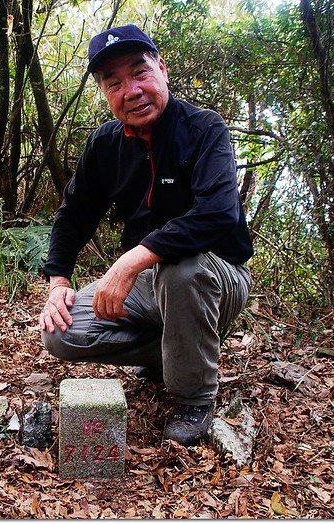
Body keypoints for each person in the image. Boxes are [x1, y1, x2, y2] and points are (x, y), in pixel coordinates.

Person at [38, 24, 253, 446]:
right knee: (59, 332)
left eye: (139, 73)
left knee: (181, 268)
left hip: (215, 276)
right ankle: (176, 352)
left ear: (162, 70)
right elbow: (74, 215)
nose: (131, 90)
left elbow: (217, 214)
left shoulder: (205, 129)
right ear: (104, 93)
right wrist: (58, 280)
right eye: (113, 83)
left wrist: (133, 259)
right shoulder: (106, 145)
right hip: (149, 285)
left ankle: (195, 396)